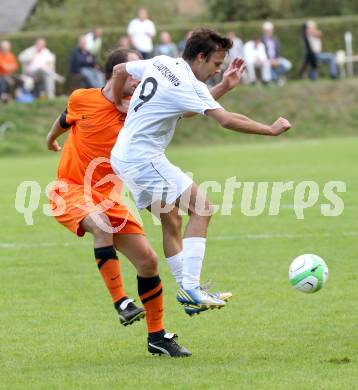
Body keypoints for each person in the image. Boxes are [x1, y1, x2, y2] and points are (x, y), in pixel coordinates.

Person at [110, 29, 291, 315]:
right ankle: (192, 290)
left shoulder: (161, 62)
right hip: (144, 159)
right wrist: (270, 129)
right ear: (201, 57)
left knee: (172, 221)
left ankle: (189, 290)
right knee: (203, 208)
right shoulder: (186, 81)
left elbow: (120, 69)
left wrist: (117, 99)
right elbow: (227, 120)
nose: (218, 70)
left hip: (122, 157)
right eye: (217, 65)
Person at [46, 48, 191, 357]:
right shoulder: (82, 98)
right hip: (70, 189)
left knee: (148, 261)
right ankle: (122, 301)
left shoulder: (138, 109)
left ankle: (157, 336)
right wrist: (50, 140)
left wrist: (223, 88)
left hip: (109, 197)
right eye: (134, 73)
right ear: (117, 74)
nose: (140, 78)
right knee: (100, 225)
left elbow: (188, 109)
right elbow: (64, 119)